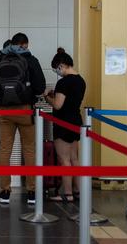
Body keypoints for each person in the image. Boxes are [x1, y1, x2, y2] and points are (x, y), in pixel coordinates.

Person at [0, 32, 46, 205]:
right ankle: (32, 192)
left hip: (4, 111)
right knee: (29, 149)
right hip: (25, 110)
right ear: (25, 44)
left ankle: (5, 191)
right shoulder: (30, 60)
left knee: (5, 149)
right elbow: (40, 86)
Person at [44, 48, 85, 202]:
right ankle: (77, 191)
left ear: (61, 65)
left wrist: (48, 97)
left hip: (63, 123)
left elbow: (58, 105)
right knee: (74, 159)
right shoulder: (81, 80)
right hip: (76, 121)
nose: (57, 71)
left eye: (56, 68)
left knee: (64, 160)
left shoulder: (63, 82)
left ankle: (67, 194)